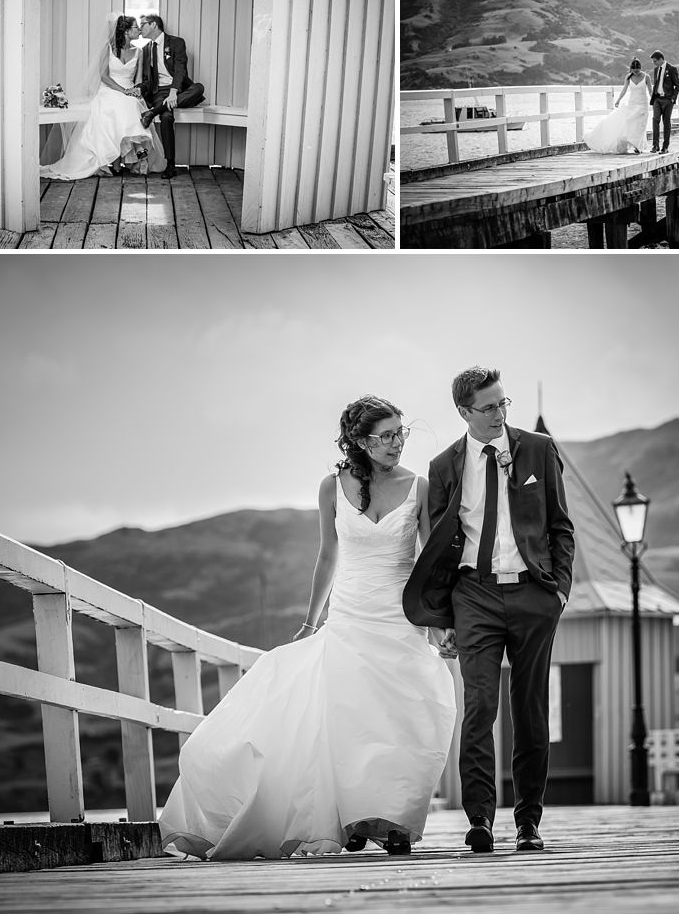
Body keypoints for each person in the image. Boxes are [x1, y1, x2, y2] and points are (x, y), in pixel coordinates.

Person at [158, 396, 457, 860]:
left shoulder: (418, 486)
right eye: (386, 436)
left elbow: (428, 561)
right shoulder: (331, 486)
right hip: (351, 615)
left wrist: (438, 623)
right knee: (348, 716)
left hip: (399, 616)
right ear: (360, 441)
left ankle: (390, 818)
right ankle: (353, 815)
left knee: (404, 712)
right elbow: (328, 555)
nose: (397, 443)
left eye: (402, 433)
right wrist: (311, 621)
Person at [403, 368, 575, 854]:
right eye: (489, 407)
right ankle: (480, 820)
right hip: (473, 596)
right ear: (465, 412)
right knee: (478, 710)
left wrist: (557, 590)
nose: (500, 414)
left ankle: (528, 823)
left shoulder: (538, 449)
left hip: (532, 595)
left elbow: (561, 525)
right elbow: (437, 548)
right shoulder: (444, 466)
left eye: (504, 403)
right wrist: (443, 617)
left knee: (530, 710)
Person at [40, 13, 165, 180]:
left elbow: (139, 79)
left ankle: (124, 160)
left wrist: (135, 90)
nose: (139, 30)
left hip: (128, 90)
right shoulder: (107, 48)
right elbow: (104, 76)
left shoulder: (139, 51)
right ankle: (112, 160)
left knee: (132, 105)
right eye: (136, 27)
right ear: (126, 31)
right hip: (109, 89)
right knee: (115, 107)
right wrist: (123, 91)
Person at [138, 14, 206, 179]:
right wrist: (137, 89)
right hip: (160, 92)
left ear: (153, 25)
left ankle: (152, 112)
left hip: (180, 89)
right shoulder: (146, 49)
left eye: (143, 25)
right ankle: (170, 165)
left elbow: (180, 69)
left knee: (199, 88)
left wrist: (174, 92)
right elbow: (148, 80)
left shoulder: (176, 42)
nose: (140, 29)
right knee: (167, 117)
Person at [584, 57, 651, 154]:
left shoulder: (646, 77)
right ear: (631, 69)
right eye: (634, 70)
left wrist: (653, 100)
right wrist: (618, 100)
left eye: (638, 70)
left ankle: (638, 146)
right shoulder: (628, 77)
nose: (636, 72)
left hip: (642, 103)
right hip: (632, 103)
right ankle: (632, 143)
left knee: (640, 125)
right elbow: (624, 90)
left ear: (640, 68)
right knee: (630, 123)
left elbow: (650, 90)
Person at [648, 49, 679, 153]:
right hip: (657, 99)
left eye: (655, 61)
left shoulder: (671, 69)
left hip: (667, 100)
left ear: (661, 59)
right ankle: (655, 146)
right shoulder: (656, 70)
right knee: (655, 120)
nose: (654, 63)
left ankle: (665, 147)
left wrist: (672, 99)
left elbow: (677, 85)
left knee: (666, 123)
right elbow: (657, 84)